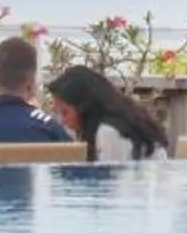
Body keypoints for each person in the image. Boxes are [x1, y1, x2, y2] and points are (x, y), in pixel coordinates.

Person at [46, 64, 174, 162]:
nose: (63, 121)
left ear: (85, 108)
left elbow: (110, 190)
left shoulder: (109, 132)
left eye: (65, 113)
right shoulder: (124, 119)